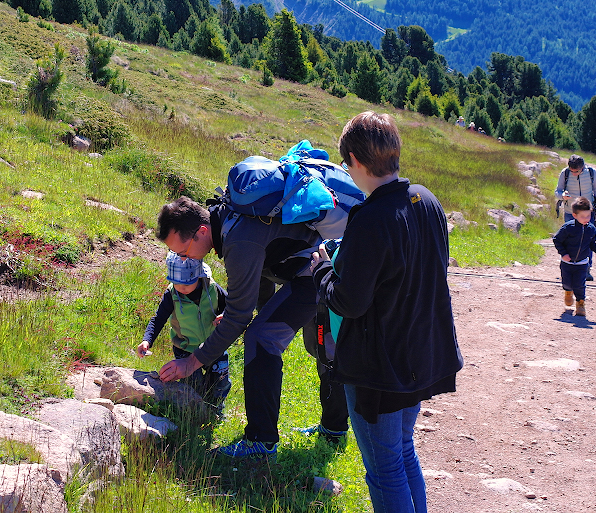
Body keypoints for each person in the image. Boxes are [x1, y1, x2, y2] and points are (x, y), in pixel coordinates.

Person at [311, 111, 464, 513]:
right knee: (402, 452)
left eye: (347, 164)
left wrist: (322, 269)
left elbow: (349, 301)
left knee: (384, 470)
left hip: (379, 368)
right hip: (420, 353)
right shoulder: (427, 200)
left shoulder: (370, 218)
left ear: (357, 162)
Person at [154, 195, 349, 458]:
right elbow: (262, 270)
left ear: (201, 232)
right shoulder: (227, 220)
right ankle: (333, 431)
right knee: (320, 346)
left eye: (183, 251)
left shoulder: (237, 238)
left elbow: (238, 315)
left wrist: (191, 363)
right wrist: (250, 313)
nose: (184, 258)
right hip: (319, 260)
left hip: (318, 268)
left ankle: (262, 441)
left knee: (264, 338)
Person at [137, 252, 231, 413]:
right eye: (176, 283)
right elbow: (158, 319)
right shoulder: (172, 294)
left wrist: (225, 315)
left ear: (199, 276)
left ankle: (216, 410)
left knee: (219, 381)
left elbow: (231, 306)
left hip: (213, 345)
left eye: (186, 283)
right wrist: (147, 340)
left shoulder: (213, 289)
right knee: (193, 385)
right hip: (185, 349)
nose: (181, 288)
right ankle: (194, 412)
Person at [555, 154, 596, 280]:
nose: (573, 173)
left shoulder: (591, 172)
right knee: (569, 240)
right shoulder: (564, 173)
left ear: (582, 167)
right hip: (570, 212)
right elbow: (557, 192)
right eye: (571, 171)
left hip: (588, 212)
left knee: (587, 239)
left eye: (576, 171)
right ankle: (568, 267)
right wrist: (562, 195)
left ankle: (586, 269)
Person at [553, 197, 596, 317]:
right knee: (567, 283)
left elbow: (592, 243)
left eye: (588, 216)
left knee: (580, 284)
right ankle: (568, 292)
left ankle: (580, 304)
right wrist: (563, 254)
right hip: (567, 263)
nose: (586, 219)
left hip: (582, 263)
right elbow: (557, 240)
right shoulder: (568, 228)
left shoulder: (591, 229)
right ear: (575, 215)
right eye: (583, 216)